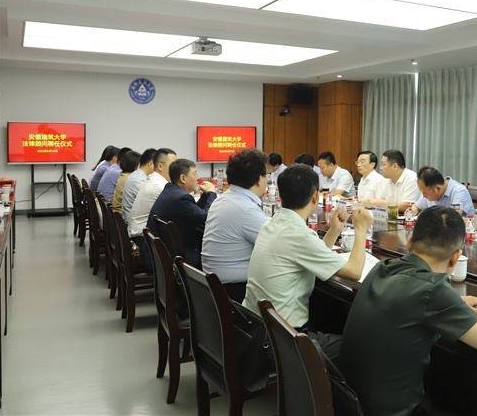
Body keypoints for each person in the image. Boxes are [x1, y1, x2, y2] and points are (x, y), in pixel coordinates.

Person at [340, 206, 477, 416]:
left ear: (410, 242)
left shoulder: (383, 267)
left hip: (350, 400)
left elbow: (405, 301)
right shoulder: (433, 290)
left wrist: (455, 302)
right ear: (456, 257)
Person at [243, 163, 372, 360]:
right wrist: (361, 229)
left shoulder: (272, 223)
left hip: (258, 329)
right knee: (363, 346)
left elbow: (310, 254)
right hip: (285, 339)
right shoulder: (299, 235)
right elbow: (354, 272)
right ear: (315, 197)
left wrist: (334, 230)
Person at [202, 149, 269, 303]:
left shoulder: (222, 199)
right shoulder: (246, 209)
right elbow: (279, 247)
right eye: (267, 174)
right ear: (259, 179)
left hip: (213, 286)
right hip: (234, 292)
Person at [145, 158, 216, 270]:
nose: (197, 178)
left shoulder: (171, 190)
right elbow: (205, 218)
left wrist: (206, 195)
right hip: (173, 257)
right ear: (183, 178)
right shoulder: (180, 198)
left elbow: (194, 210)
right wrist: (212, 193)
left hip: (162, 251)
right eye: (195, 173)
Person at [128, 148, 177, 244]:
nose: (177, 169)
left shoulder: (154, 179)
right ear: (160, 166)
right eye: (173, 165)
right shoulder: (159, 185)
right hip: (142, 238)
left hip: (141, 233)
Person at [121, 148, 156, 224]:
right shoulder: (138, 180)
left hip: (134, 219)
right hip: (134, 223)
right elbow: (151, 205)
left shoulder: (136, 175)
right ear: (150, 164)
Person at [110, 150, 140, 216]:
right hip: (121, 214)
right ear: (135, 166)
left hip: (117, 213)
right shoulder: (129, 179)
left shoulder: (124, 175)